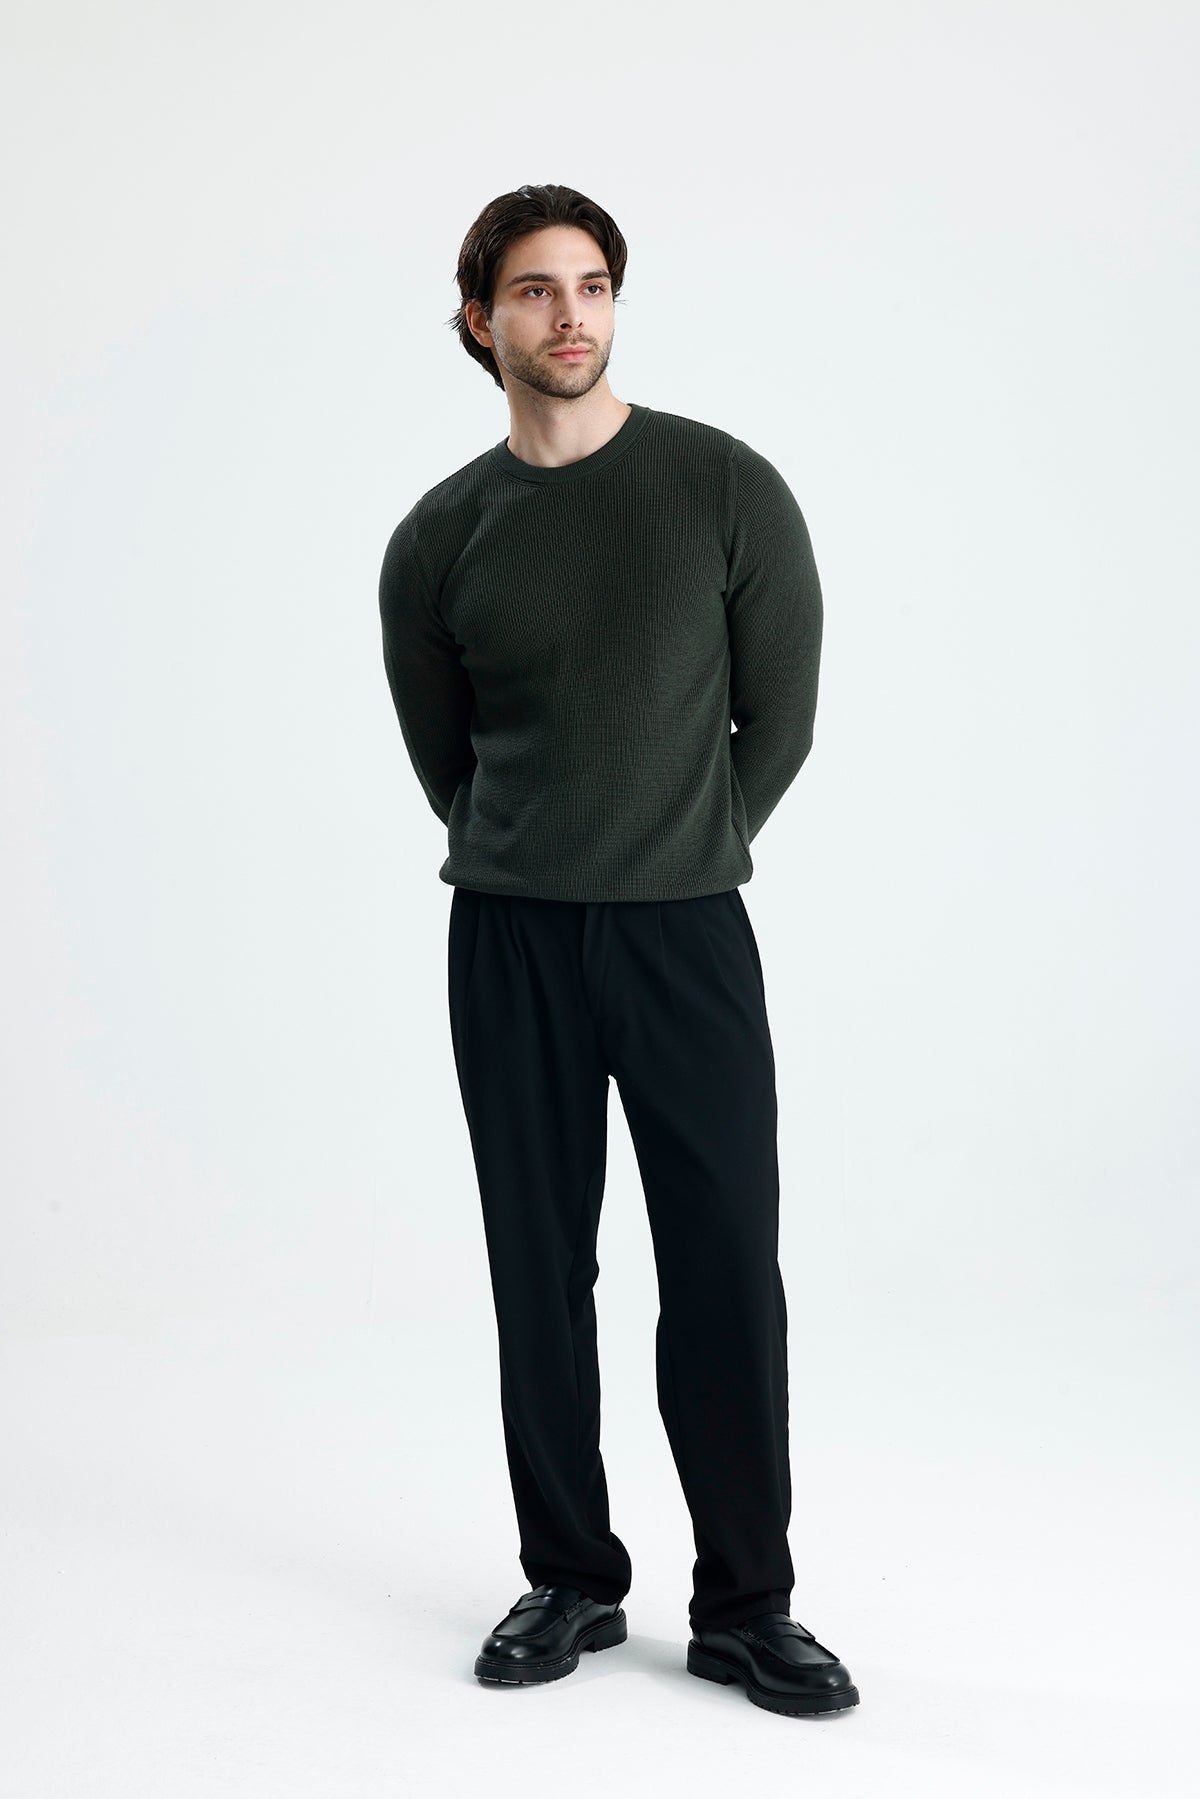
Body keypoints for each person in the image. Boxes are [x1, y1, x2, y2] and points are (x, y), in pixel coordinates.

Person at [377, 183, 859, 1719]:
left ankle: (749, 1604)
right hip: (508, 937)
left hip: (686, 933)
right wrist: (542, 852)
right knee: (539, 1263)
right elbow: (447, 757)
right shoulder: (440, 537)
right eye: (535, 290)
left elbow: (780, 719)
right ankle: (570, 1578)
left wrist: (676, 842)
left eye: (591, 284)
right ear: (481, 321)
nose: (569, 314)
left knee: (724, 1263)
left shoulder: (723, 487)